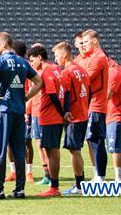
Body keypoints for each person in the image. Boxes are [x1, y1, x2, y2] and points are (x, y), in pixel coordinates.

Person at [0, 32, 43, 200]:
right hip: (19, 110)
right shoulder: (23, 62)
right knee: (19, 151)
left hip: (3, 110)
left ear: (4, 45)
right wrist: (26, 97)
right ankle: (19, 190)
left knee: (0, 150)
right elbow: (39, 82)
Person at [27, 44, 68, 197]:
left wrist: (62, 113)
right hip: (54, 117)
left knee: (51, 152)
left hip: (50, 117)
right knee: (53, 151)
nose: (31, 64)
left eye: (32, 60)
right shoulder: (57, 68)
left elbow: (52, 95)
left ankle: (54, 187)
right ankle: (53, 184)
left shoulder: (47, 71)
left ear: (39, 58)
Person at [53, 41, 90, 195]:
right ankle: (81, 183)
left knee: (74, 150)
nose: (55, 59)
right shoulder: (82, 70)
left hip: (73, 117)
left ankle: (79, 186)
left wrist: (65, 112)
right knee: (77, 150)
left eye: (56, 55)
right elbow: (90, 92)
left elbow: (66, 93)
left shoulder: (66, 72)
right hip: (83, 113)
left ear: (64, 54)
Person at [5, 40, 38, 183]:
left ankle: (29, 172)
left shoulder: (25, 67)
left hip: (25, 110)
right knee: (8, 141)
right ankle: (13, 171)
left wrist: (26, 106)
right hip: (12, 108)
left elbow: (33, 88)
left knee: (26, 141)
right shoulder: (10, 66)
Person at [80, 30, 109, 182]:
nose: (83, 45)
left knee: (97, 140)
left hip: (96, 105)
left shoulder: (99, 57)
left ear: (95, 41)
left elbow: (86, 78)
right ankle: (98, 174)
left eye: (85, 42)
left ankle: (100, 176)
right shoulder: (91, 57)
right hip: (91, 105)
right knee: (93, 140)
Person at [106, 57, 121, 182]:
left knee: (115, 149)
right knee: (112, 149)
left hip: (116, 114)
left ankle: (119, 179)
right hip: (109, 115)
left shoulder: (114, 72)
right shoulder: (109, 71)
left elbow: (108, 95)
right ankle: (118, 177)